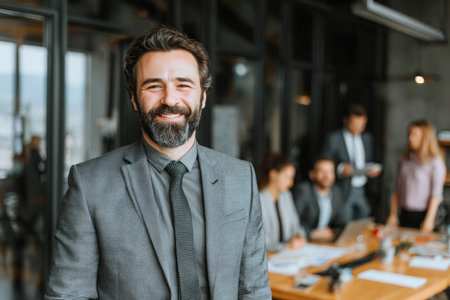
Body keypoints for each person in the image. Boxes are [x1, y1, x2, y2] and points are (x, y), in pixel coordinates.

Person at [45, 25, 271, 300]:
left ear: (203, 97)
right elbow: (68, 295)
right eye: (153, 86)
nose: (170, 99)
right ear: (134, 99)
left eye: (183, 85)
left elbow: (254, 289)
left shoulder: (241, 178)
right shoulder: (89, 185)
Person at [322, 104, 381, 221]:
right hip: (343, 190)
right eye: (355, 125)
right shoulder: (334, 138)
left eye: (362, 125)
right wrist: (340, 169)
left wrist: (372, 170)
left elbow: (368, 160)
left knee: (364, 222)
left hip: (362, 189)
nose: (358, 129)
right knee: (346, 224)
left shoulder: (367, 138)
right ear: (345, 121)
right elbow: (323, 162)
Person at [387, 120, 446, 233]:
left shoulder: (435, 162)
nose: (410, 138)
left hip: (423, 215)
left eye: (415, 135)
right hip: (404, 213)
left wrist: (429, 220)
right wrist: (393, 214)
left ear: (425, 138)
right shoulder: (405, 159)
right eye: (409, 134)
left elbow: (436, 195)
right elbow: (396, 190)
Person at [257, 152, 307, 252]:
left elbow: (296, 226)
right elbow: (259, 241)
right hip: (269, 258)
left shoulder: (286, 196)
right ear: (273, 174)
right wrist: (286, 247)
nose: (291, 183)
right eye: (287, 177)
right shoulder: (258, 200)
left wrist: (300, 237)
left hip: (290, 255)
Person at [293, 156, 348, 242]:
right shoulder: (303, 191)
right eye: (322, 171)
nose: (327, 176)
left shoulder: (336, 191)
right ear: (312, 174)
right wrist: (311, 234)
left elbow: (341, 220)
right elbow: (292, 221)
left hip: (324, 242)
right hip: (303, 241)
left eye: (330, 171)